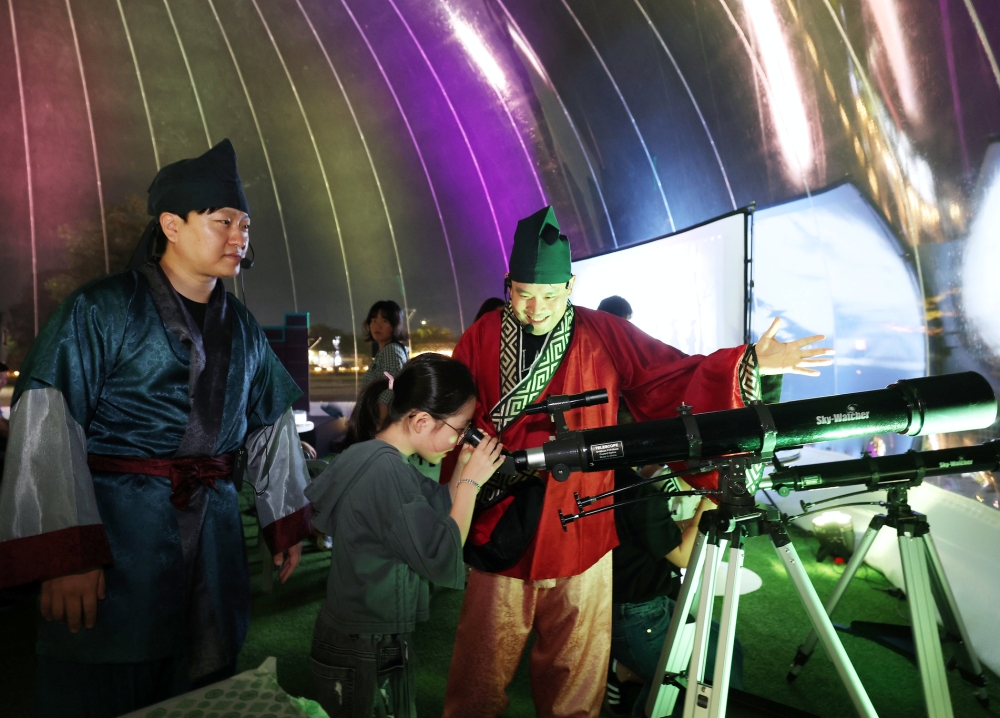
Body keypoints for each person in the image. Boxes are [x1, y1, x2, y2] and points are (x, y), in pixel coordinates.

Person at [442, 205, 831, 717]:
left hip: (581, 521)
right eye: (524, 294)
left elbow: (671, 374)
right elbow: (453, 417)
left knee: (576, 674)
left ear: (572, 286)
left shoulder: (605, 332)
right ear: (508, 283)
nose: (535, 309)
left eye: (550, 296)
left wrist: (750, 360)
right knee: (480, 670)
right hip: (502, 521)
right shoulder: (480, 337)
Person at [0, 139, 312, 717]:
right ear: (171, 223)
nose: (240, 237)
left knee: (202, 683)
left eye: (245, 224)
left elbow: (271, 421)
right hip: (118, 539)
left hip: (213, 538)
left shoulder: (241, 326)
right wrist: (68, 554)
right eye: (224, 221)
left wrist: (284, 520)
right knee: (102, 682)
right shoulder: (99, 309)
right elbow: (48, 422)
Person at [305, 353, 505, 717]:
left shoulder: (372, 453)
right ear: (421, 421)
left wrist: (461, 469)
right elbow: (440, 551)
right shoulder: (385, 471)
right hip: (367, 644)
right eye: (460, 428)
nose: (460, 439)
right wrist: (471, 484)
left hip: (357, 633)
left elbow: (430, 509)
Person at [358, 299, 409, 426]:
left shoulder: (391, 351)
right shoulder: (385, 350)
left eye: (384, 321)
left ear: (395, 325)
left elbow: (389, 390)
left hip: (381, 424)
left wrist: (381, 427)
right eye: (373, 320)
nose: (377, 325)